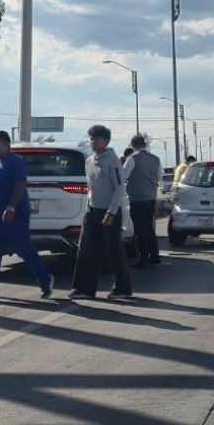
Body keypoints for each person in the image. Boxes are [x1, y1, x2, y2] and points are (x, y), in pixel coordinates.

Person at [0, 131, 54, 304]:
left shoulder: (15, 162)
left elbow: (21, 184)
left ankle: (45, 280)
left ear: (7, 145)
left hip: (13, 217)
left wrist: (11, 207)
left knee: (24, 250)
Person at [69, 124, 133, 300]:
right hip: (93, 210)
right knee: (86, 249)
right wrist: (88, 207)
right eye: (91, 139)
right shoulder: (89, 160)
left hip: (110, 212)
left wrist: (111, 212)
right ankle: (83, 289)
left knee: (112, 252)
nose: (93, 142)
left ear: (106, 141)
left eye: (97, 139)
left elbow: (119, 188)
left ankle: (122, 289)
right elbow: (90, 186)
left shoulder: (112, 160)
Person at [122, 134, 161, 266]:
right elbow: (159, 177)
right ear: (144, 144)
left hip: (137, 198)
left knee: (140, 229)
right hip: (151, 197)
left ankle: (144, 258)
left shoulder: (132, 159)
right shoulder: (155, 159)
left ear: (132, 145)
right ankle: (154, 256)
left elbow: (123, 176)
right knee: (149, 227)